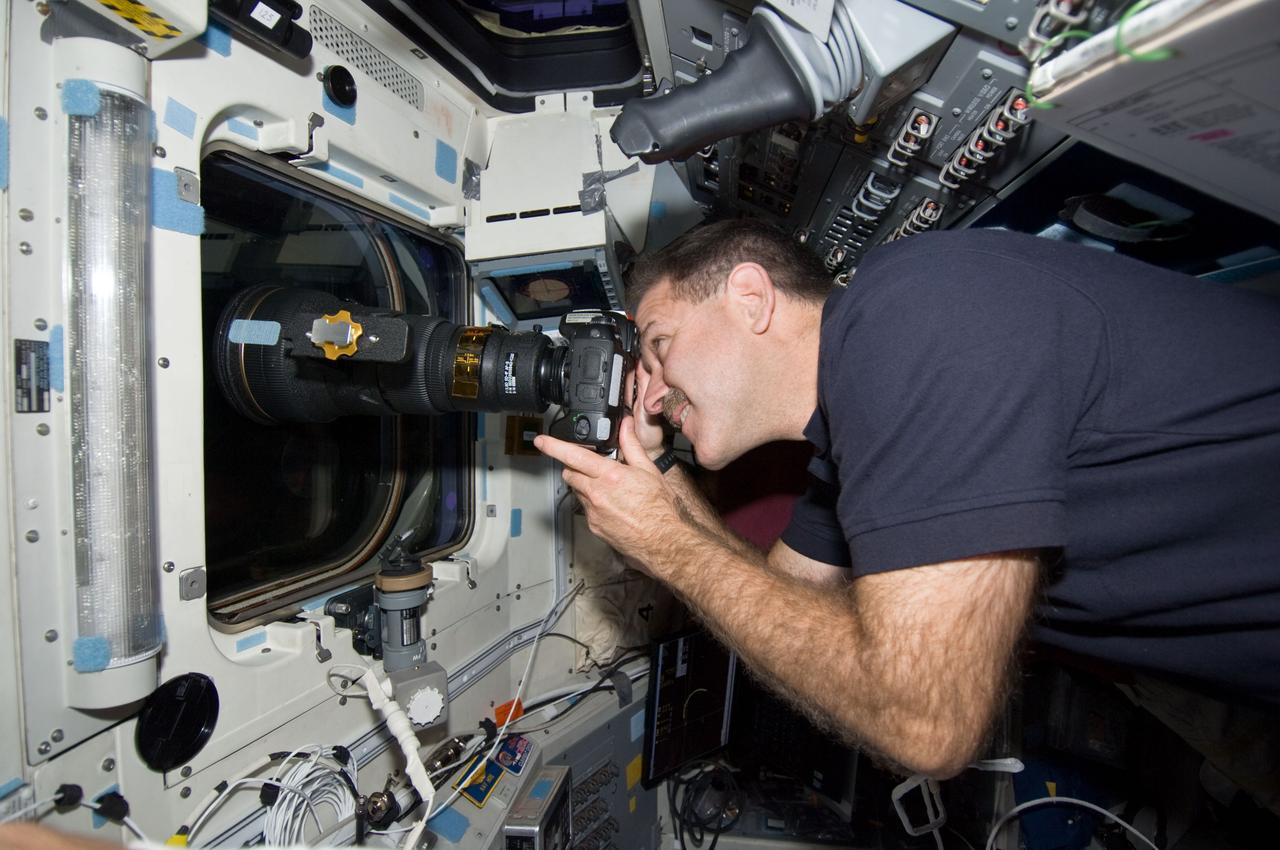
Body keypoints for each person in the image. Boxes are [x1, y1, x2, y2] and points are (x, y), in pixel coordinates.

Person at [534, 219, 1280, 780]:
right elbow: (778, 595)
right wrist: (657, 477)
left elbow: (926, 721)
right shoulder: (847, 440)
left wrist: (669, 545)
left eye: (658, 345)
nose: (653, 394)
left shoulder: (919, 313)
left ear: (751, 297)